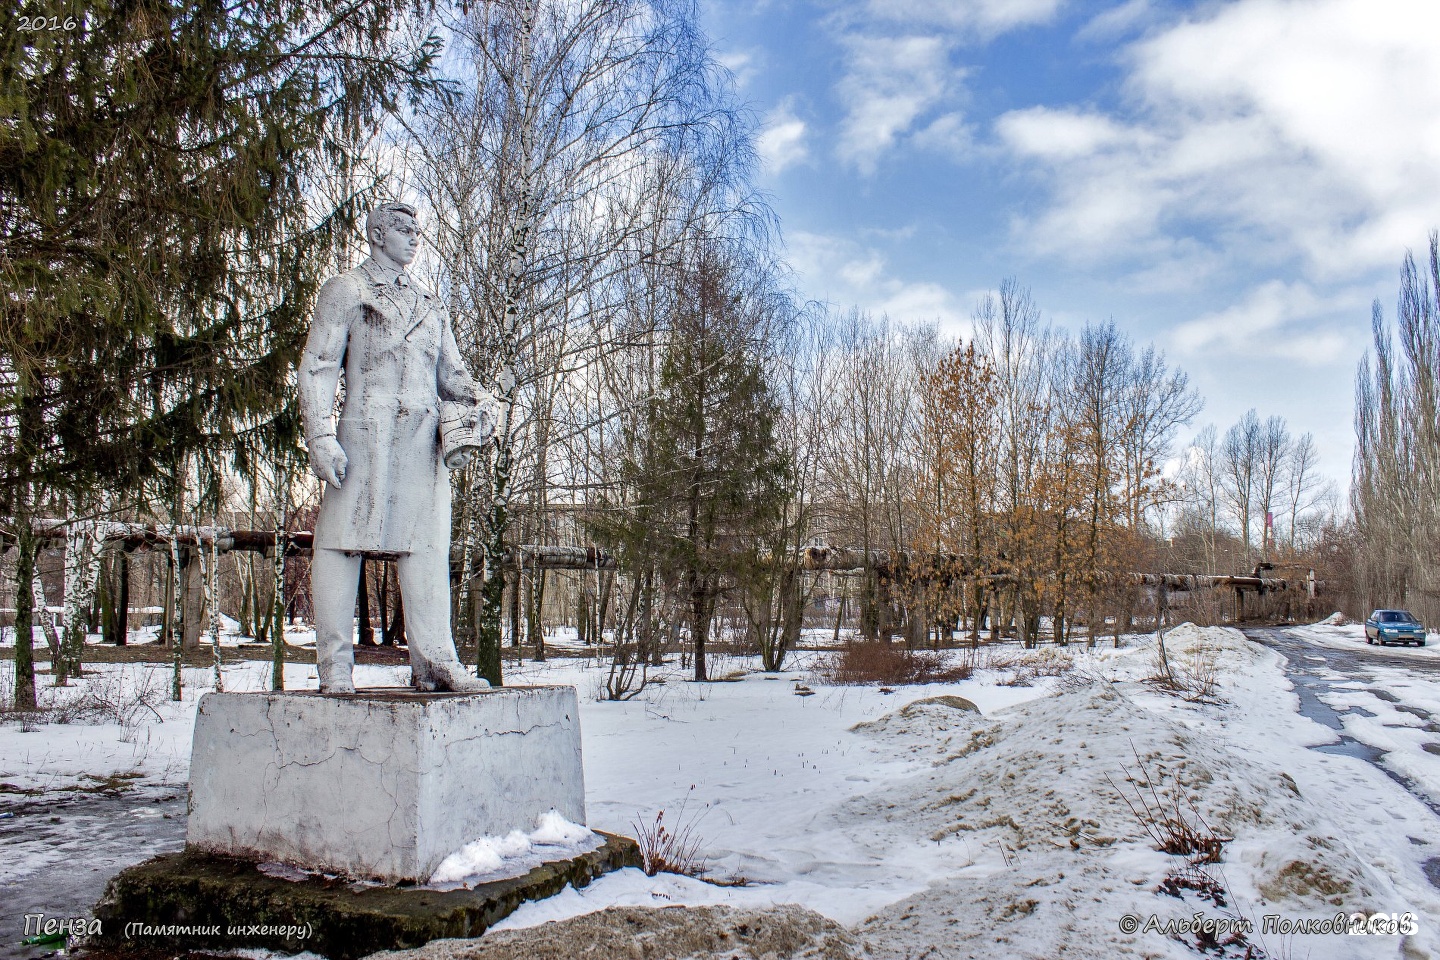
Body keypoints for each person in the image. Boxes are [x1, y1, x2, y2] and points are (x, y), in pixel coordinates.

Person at [299, 202, 489, 694]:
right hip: (363, 434)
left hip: (421, 443)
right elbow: (319, 364)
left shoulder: (431, 305)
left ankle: (434, 662)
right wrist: (320, 435)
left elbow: (452, 375)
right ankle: (335, 665)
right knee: (340, 543)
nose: (414, 238)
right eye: (404, 229)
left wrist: (485, 401)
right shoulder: (348, 290)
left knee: (426, 547)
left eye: (417, 231)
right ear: (378, 234)